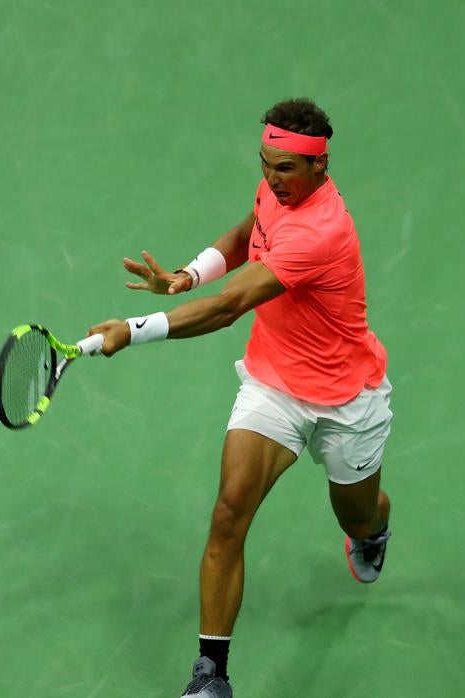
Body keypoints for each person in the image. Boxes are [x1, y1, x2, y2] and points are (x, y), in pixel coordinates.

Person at [86, 97, 393, 698]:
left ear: (320, 168)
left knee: (355, 512)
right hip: (274, 382)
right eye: (266, 163)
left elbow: (230, 309)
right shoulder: (276, 194)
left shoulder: (320, 232)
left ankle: (373, 528)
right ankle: (211, 677)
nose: (272, 178)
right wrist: (187, 275)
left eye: (286, 169)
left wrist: (135, 326)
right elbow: (248, 232)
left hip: (344, 398)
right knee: (229, 512)